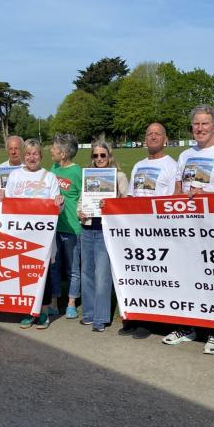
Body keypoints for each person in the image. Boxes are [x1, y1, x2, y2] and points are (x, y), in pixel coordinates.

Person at [164, 105, 214, 354]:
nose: (199, 128)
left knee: (213, 281)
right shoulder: (184, 155)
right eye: (196, 123)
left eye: (205, 123)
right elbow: (177, 191)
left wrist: (208, 196)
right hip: (186, 228)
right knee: (186, 277)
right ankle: (188, 325)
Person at [119, 122, 178, 337]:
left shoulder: (171, 166)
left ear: (165, 138)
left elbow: (173, 200)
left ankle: (151, 322)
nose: (153, 137)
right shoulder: (138, 165)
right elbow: (132, 198)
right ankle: (136, 318)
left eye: (157, 134)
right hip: (138, 230)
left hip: (159, 231)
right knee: (138, 275)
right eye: (149, 134)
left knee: (157, 277)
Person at [0, 139, 64, 329]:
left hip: (43, 236)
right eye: (28, 154)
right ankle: (27, 311)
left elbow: (57, 210)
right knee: (23, 272)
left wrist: (60, 203)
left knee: (44, 273)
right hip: (20, 233)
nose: (31, 157)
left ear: (41, 156)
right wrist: (1, 197)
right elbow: (7, 205)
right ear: (22, 155)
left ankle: (43, 311)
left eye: (35, 153)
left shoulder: (50, 177)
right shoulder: (14, 176)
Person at [78, 139, 129, 332]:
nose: (99, 159)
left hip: (105, 230)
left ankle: (100, 317)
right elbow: (81, 201)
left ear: (109, 156)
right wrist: (80, 211)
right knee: (87, 272)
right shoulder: (87, 176)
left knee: (102, 274)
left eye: (102, 155)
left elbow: (126, 203)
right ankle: (89, 313)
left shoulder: (119, 176)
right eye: (95, 155)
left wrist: (112, 204)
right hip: (87, 227)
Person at [49, 134, 83, 319]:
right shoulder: (52, 168)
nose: (51, 150)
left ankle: (71, 302)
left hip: (72, 229)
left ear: (63, 153)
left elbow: (84, 198)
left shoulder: (77, 172)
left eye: (54, 148)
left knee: (72, 268)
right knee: (54, 266)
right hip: (54, 227)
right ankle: (54, 301)